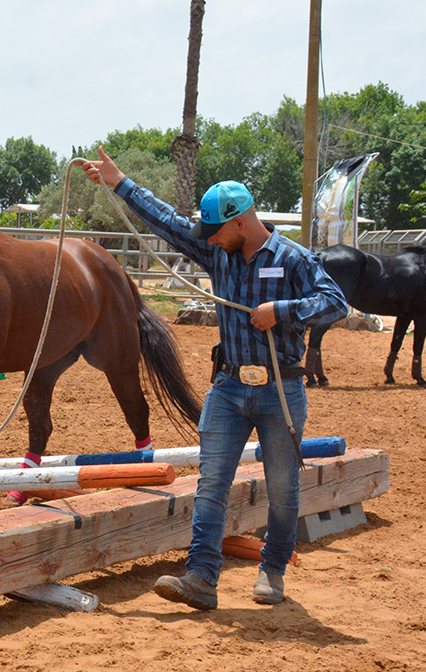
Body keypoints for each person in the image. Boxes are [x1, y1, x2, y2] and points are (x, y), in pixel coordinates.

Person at [81, 146, 346, 608]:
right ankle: (201, 577)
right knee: (211, 484)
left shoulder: (294, 258)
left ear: (240, 222)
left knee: (283, 488)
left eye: (216, 231)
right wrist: (120, 182)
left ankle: (273, 569)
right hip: (228, 387)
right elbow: (166, 221)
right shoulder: (218, 249)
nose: (209, 239)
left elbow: (336, 302)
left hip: (280, 388)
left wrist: (282, 311)